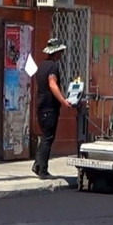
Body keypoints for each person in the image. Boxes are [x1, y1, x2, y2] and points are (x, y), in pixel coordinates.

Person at [32, 37, 72, 179]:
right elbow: (52, 84)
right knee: (48, 138)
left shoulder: (41, 66)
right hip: (49, 107)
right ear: (56, 52)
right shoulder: (53, 67)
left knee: (44, 137)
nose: (61, 55)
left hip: (41, 107)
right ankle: (42, 170)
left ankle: (37, 165)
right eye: (60, 52)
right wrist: (63, 100)